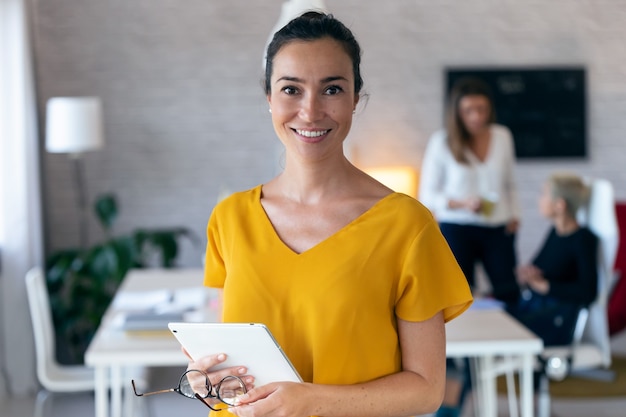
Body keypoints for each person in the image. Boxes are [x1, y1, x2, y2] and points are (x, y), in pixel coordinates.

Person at [186, 11, 473, 417]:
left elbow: (427, 389)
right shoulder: (230, 218)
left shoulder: (407, 225)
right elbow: (231, 372)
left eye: (332, 89)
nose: (310, 110)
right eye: (291, 89)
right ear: (268, 98)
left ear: (356, 98)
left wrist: (312, 401)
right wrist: (208, 383)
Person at [419, 76, 521, 306]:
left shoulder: (502, 136)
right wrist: (463, 203)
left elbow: (510, 183)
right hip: (457, 228)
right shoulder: (441, 142)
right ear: (457, 112)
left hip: (498, 227)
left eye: (482, 109)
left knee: (508, 291)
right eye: (469, 110)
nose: (476, 116)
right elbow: (428, 195)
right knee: (459, 296)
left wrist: (516, 214)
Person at [507, 172, 598, 346]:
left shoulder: (583, 239)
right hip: (536, 307)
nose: (539, 200)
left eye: (544, 194)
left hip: (556, 317)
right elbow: (538, 268)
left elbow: (588, 292)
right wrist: (530, 275)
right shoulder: (554, 232)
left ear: (560, 205)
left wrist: (545, 286)